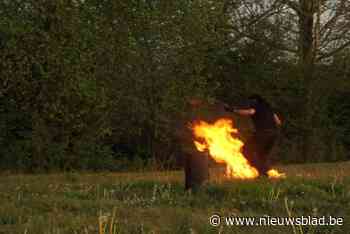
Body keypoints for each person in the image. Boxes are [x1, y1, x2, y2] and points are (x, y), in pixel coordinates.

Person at [224, 94, 282, 176]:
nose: (250, 103)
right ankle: (266, 173)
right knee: (262, 155)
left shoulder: (257, 107)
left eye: (251, 101)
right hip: (273, 134)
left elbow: (250, 112)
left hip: (262, 133)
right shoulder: (269, 108)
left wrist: (232, 110)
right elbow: (278, 122)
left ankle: (260, 171)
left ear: (255, 101)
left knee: (246, 150)